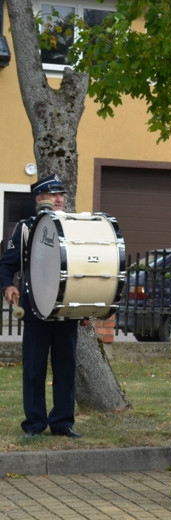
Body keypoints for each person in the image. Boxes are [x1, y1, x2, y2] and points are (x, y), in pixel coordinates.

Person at [0, 175, 83, 439]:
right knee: (34, 369)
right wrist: (8, 286)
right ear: (39, 199)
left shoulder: (74, 226)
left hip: (65, 310)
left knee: (65, 368)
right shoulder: (25, 228)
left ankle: (62, 423)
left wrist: (85, 307)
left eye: (61, 194)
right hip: (35, 308)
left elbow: (83, 270)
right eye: (51, 194)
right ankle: (35, 423)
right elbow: (7, 264)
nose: (58, 199)